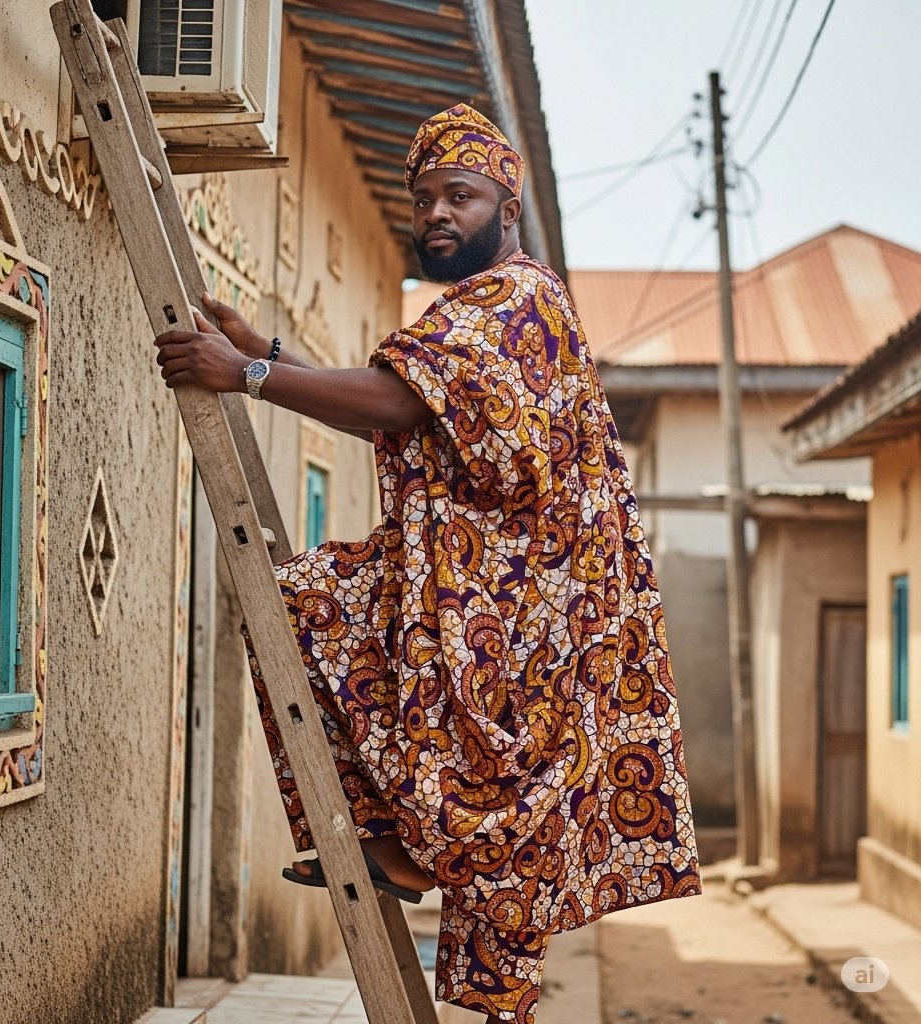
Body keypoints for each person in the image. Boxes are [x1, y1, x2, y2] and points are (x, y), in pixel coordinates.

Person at [154, 104, 700, 1024]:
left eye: (462, 196)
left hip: (518, 611)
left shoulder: (514, 300)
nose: (438, 214)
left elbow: (402, 403)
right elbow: (399, 404)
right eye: (425, 199)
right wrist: (267, 355)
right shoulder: (484, 308)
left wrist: (246, 376)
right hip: (487, 594)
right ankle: (400, 844)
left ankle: (400, 845)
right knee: (322, 613)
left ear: (507, 206)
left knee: (310, 606)